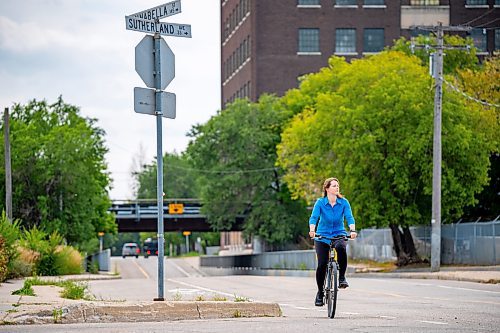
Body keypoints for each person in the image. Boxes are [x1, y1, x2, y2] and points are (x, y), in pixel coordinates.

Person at [308, 177, 357, 306]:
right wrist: (312, 230)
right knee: (322, 264)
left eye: (337, 185)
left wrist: (352, 230)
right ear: (327, 188)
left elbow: (349, 217)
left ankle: (341, 277)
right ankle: (320, 292)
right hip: (322, 236)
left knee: (341, 247)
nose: (337, 187)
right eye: (334, 185)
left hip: (338, 233)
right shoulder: (320, 203)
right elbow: (314, 218)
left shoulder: (344, 202)